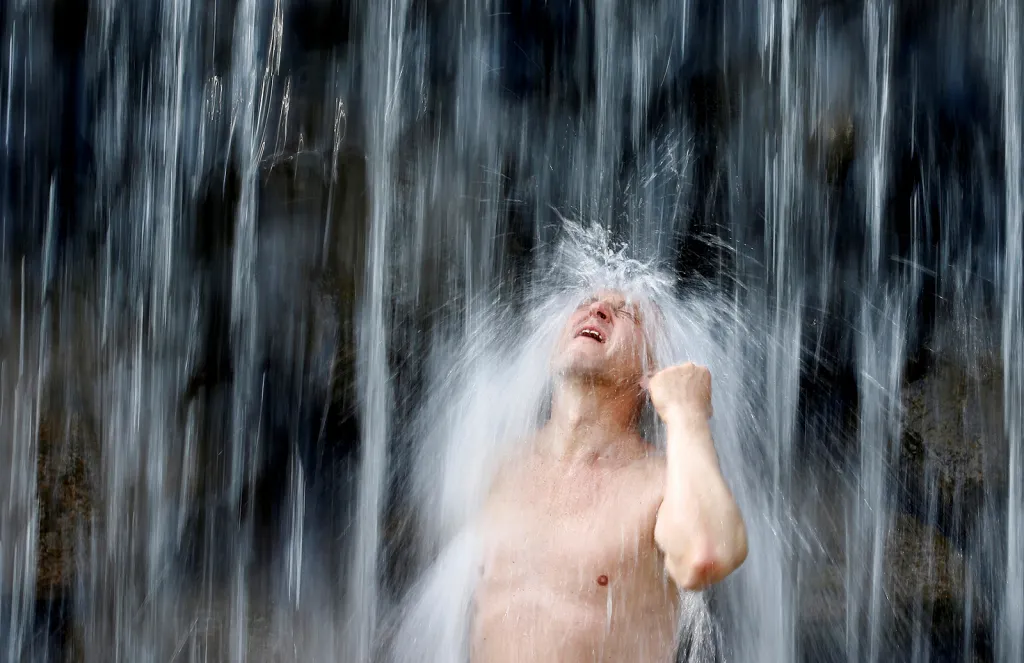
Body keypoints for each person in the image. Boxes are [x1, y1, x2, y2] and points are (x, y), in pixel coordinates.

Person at [469, 289, 748, 662]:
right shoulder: (497, 467)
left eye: (627, 314)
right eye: (585, 303)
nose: (597, 310)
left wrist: (686, 411)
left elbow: (707, 554)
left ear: (652, 368)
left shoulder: (661, 484)